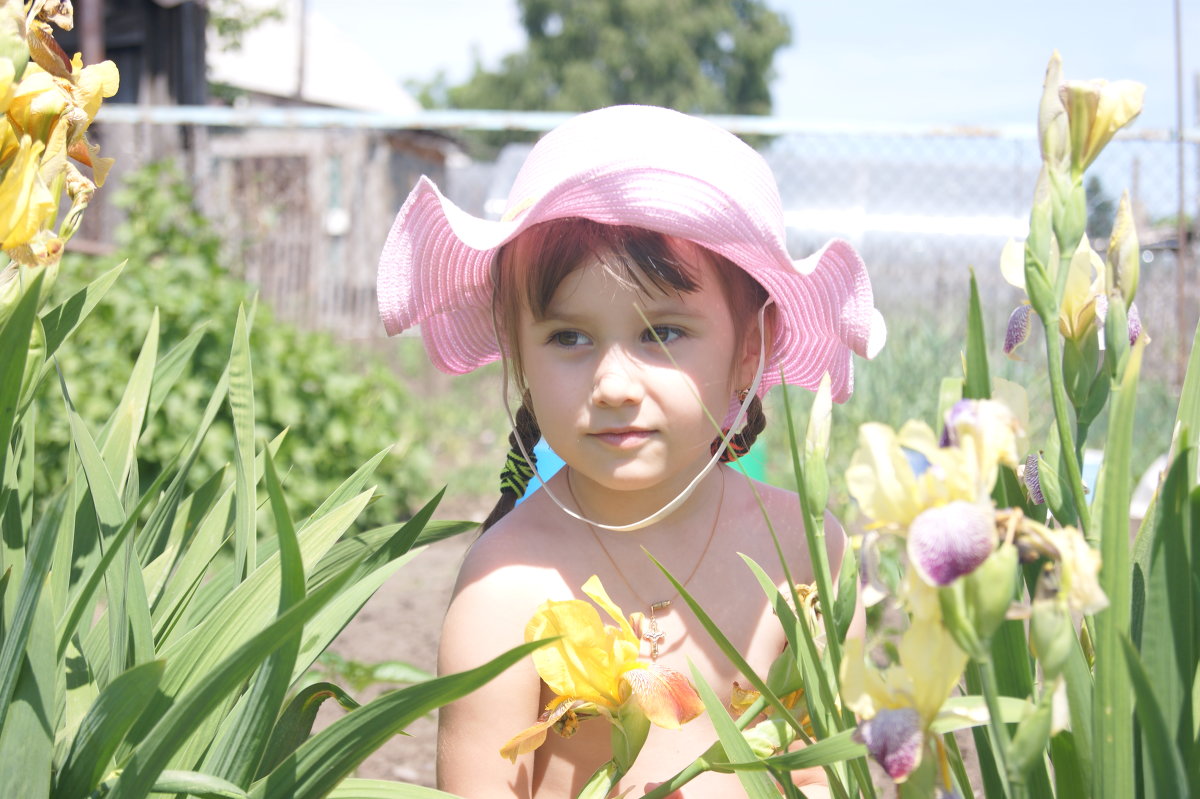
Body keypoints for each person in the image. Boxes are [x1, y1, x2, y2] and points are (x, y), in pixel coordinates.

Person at [377, 105, 885, 798]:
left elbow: (835, 776)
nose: (614, 384)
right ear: (518, 346)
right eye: (568, 338)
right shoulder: (503, 587)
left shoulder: (809, 557)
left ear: (749, 347)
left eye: (664, 332)